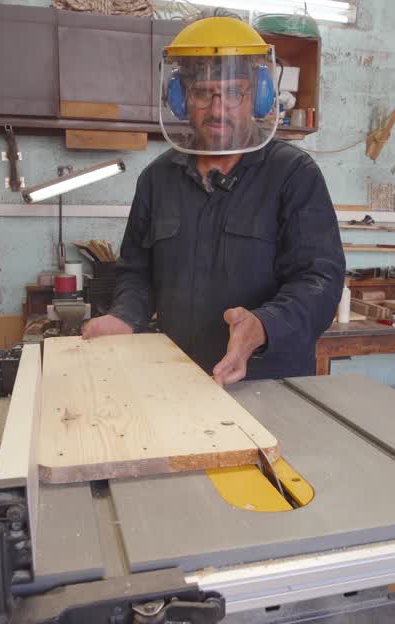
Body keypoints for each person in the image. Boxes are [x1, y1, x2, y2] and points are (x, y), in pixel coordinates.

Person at [81, 17, 345, 385]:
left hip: (269, 382)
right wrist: (124, 315)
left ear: (259, 96)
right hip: (179, 378)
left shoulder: (293, 174)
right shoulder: (157, 179)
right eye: (204, 93)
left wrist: (263, 325)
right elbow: (136, 272)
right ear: (180, 99)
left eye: (234, 93)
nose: (219, 109)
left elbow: (320, 280)